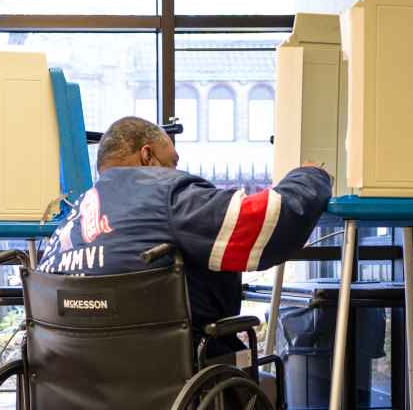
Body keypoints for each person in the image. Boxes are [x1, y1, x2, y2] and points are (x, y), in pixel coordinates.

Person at [39, 116, 332, 354]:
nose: (175, 170)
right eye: (172, 161)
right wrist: (309, 177)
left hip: (75, 383)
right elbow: (266, 223)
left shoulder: (71, 221)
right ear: (148, 156)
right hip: (167, 373)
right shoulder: (164, 192)